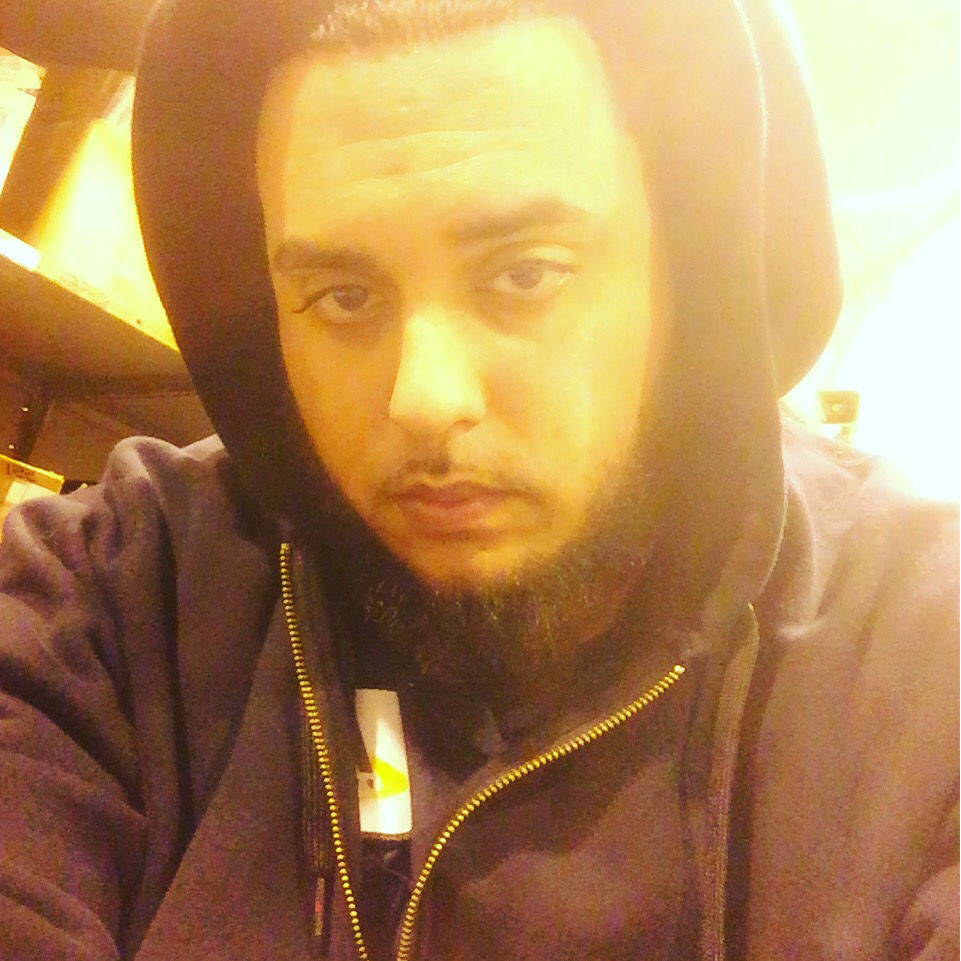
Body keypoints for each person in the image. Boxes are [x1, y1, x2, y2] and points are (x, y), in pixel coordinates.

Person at [0, 0, 957, 958]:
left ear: (689, 273)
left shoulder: (926, 662)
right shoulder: (112, 597)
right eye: (344, 295)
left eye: (524, 275)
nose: (424, 396)